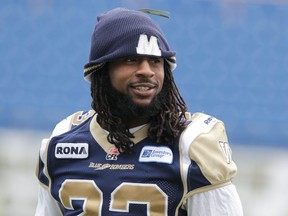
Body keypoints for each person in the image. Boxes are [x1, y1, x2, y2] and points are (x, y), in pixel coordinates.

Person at [35, 7, 243, 216]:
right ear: (101, 71)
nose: (146, 70)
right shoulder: (62, 140)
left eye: (155, 61)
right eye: (130, 59)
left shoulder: (192, 143)